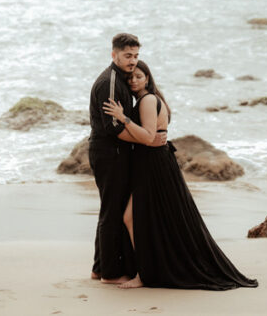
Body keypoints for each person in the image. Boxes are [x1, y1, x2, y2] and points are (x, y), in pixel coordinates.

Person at [103, 60, 258, 291]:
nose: (134, 80)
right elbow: (149, 136)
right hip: (155, 162)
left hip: (154, 165)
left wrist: (122, 117)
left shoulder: (147, 100)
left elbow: (147, 137)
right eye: (130, 78)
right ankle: (148, 270)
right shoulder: (151, 99)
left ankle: (143, 274)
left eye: (139, 76)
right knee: (152, 220)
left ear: (148, 78)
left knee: (132, 218)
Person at [87, 32, 141, 283]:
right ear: (114, 54)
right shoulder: (109, 81)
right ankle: (109, 274)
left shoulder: (120, 79)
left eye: (136, 56)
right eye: (127, 55)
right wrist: (146, 139)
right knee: (111, 211)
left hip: (115, 153)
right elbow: (112, 128)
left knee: (110, 209)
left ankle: (99, 268)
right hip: (109, 153)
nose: (132, 61)